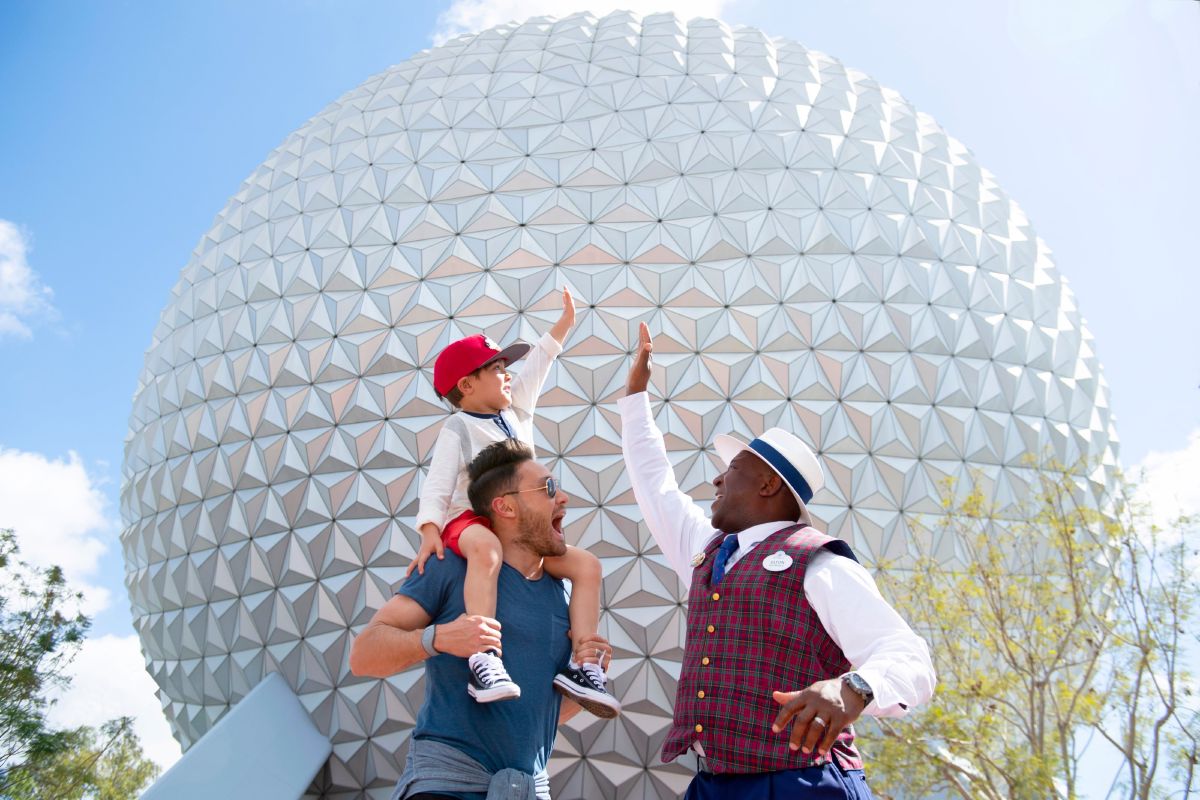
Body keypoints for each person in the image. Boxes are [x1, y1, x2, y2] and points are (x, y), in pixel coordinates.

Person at [617, 322, 935, 800]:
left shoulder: (820, 565)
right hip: (713, 784)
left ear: (768, 485)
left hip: (801, 783)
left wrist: (852, 689)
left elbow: (910, 658)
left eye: (733, 470)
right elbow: (654, 483)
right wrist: (636, 397)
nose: (716, 482)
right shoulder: (708, 554)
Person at [350, 439, 613, 800]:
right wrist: (438, 638)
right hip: (446, 786)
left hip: (530, 790)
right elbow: (363, 656)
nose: (563, 498)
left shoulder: (564, 593)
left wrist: (580, 691)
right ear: (504, 506)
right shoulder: (450, 568)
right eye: (549, 488)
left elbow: (536, 714)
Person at [409, 287, 618, 717]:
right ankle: (484, 658)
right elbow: (438, 486)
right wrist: (430, 530)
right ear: (467, 385)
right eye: (497, 368)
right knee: (486, 550)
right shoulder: (458, 428)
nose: (508, 374)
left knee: (586, 566)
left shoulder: (517, 413)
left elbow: (540, 363)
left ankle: (582, 663)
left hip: (519, 525)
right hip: (471, 521)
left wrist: (564, 324)